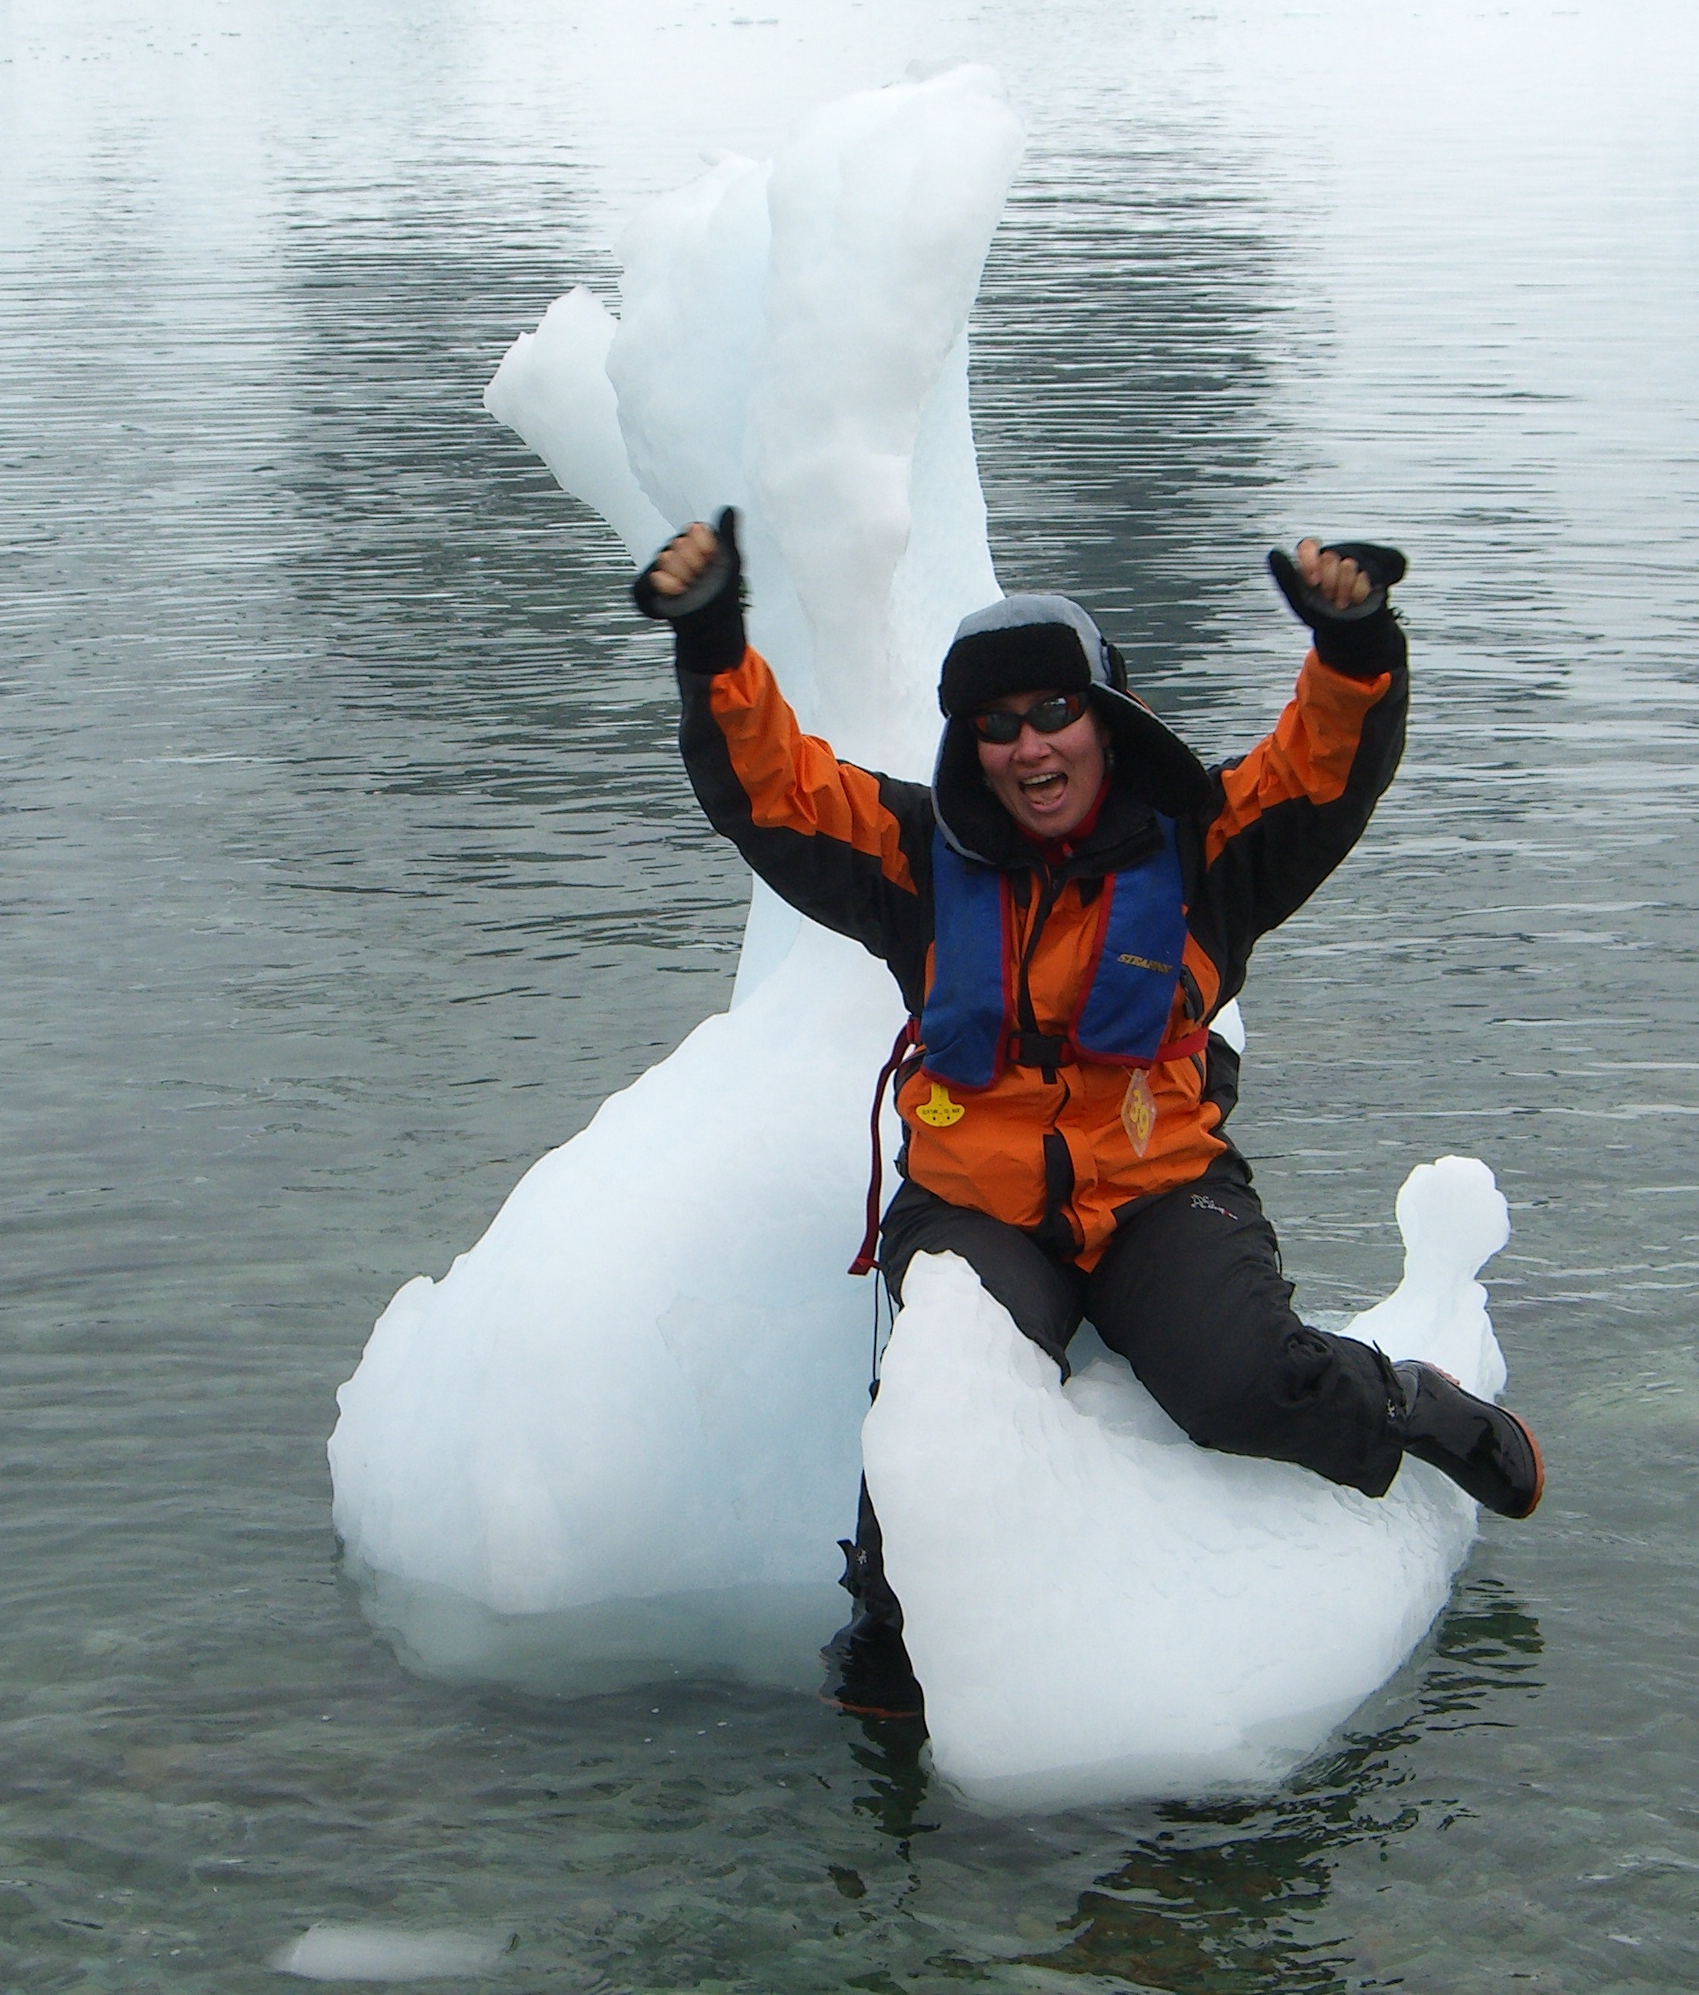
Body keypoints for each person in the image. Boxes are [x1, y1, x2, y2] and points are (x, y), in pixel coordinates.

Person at [635, 509, 1542, 1719]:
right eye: (998, 726)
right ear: (973, 746)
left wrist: (1354, 645)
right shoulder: (916, 850)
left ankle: (1413, 1403)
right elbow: (774, 789)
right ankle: (893, 1614)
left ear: (1109, 721)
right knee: (938, 1388)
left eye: (1055, 712)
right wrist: (710, 638)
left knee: (1236, 1382)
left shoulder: (1208, 848)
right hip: (977, 1200)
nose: (1031, 746)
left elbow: (1322, 772)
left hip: (1161, 1185)